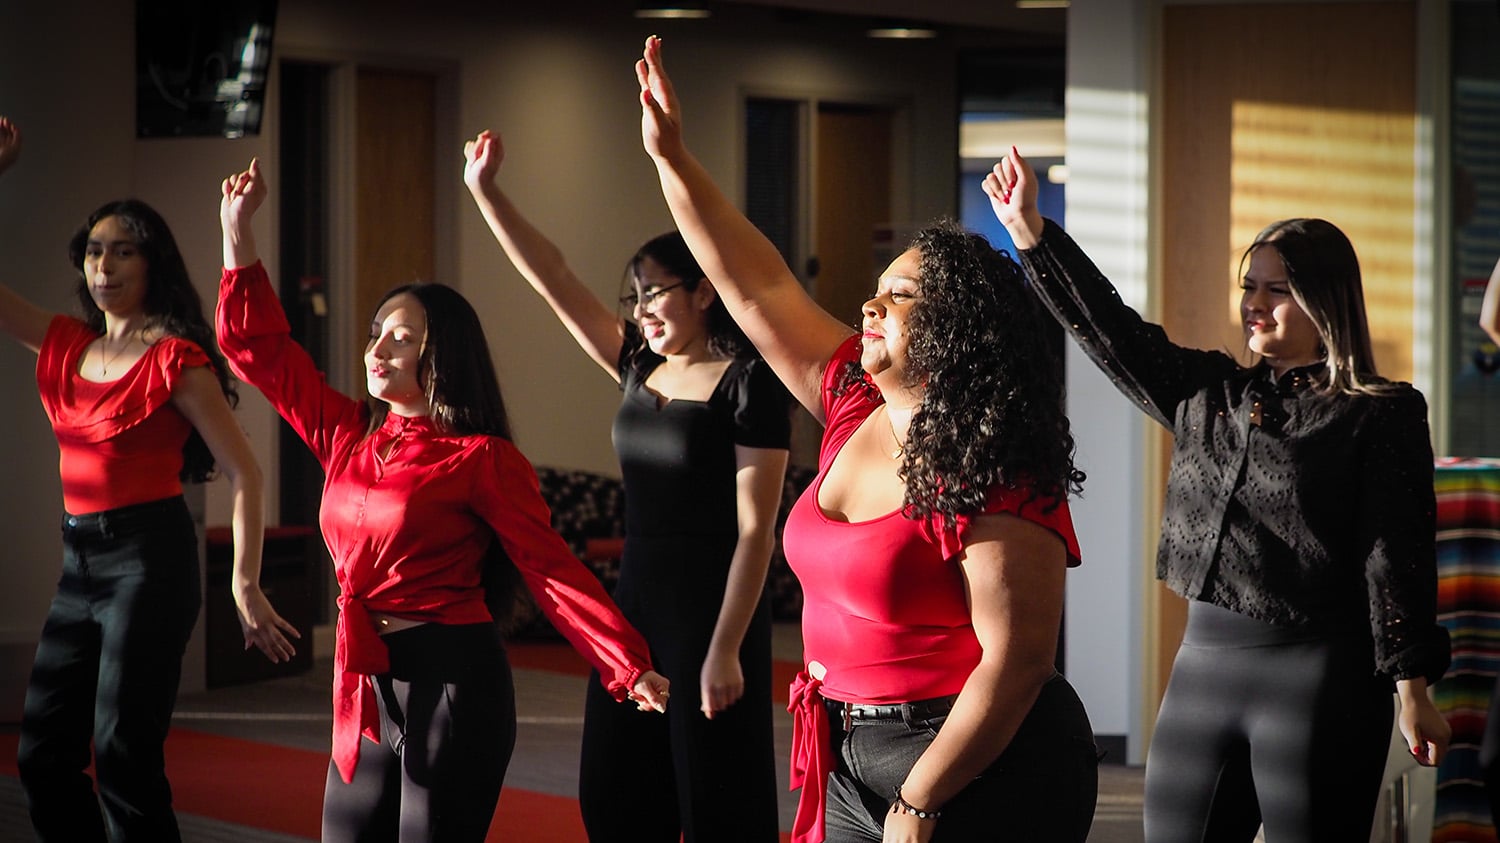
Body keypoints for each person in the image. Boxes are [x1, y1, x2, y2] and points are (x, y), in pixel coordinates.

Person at [636, 37, 1098, 843]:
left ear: (956, 331)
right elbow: (758, 284)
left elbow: (1018, 660)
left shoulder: (997, 468)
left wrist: (920, 801)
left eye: (903, 294)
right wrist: (673, 158)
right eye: (875, 291)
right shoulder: (854, 400)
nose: (870, 305)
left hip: (980, 758)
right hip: (851, 747)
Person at [986, 147, 1453, 843]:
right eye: (1249, 287)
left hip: (1320, 677)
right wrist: (1033, 236)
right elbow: (1111, 333)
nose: (1254, 305)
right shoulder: (1210, 392)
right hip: (1202, 671)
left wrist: (1412, 685)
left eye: (1276, 289)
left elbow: (1396, 554)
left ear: (1325, 300)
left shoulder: (1378, 412)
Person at [216, 157, 670, 843]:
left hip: (456, 683)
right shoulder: (349, 433)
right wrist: (236, 230)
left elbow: (551, 570)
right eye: (375, 332)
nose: (378, 348)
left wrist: (624, 661)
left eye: (401, 337)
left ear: (442, 354)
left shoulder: (481, 459)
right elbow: (260, 351)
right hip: (368, 680)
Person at [462, 131, 790, 841]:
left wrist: (728, 646)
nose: (641, 308)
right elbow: (553, 276)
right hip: (636, 598)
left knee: (715, 797)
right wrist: (487, 192)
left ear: (704, 290)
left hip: (714, 606)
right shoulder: (638, 366)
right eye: (633, 295)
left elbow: (757, 530)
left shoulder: (750, 384)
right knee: (612, 790)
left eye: (656, 292)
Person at [0, 116, 296, 842]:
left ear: (151, 264)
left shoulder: (175, 360)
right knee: (41, 754)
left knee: (124, 754)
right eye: (94, 252)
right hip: (81, 565)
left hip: (149, 562)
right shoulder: (66, 343)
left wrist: (245, 581)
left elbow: (243, 470)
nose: (104, 267)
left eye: (122, 252)